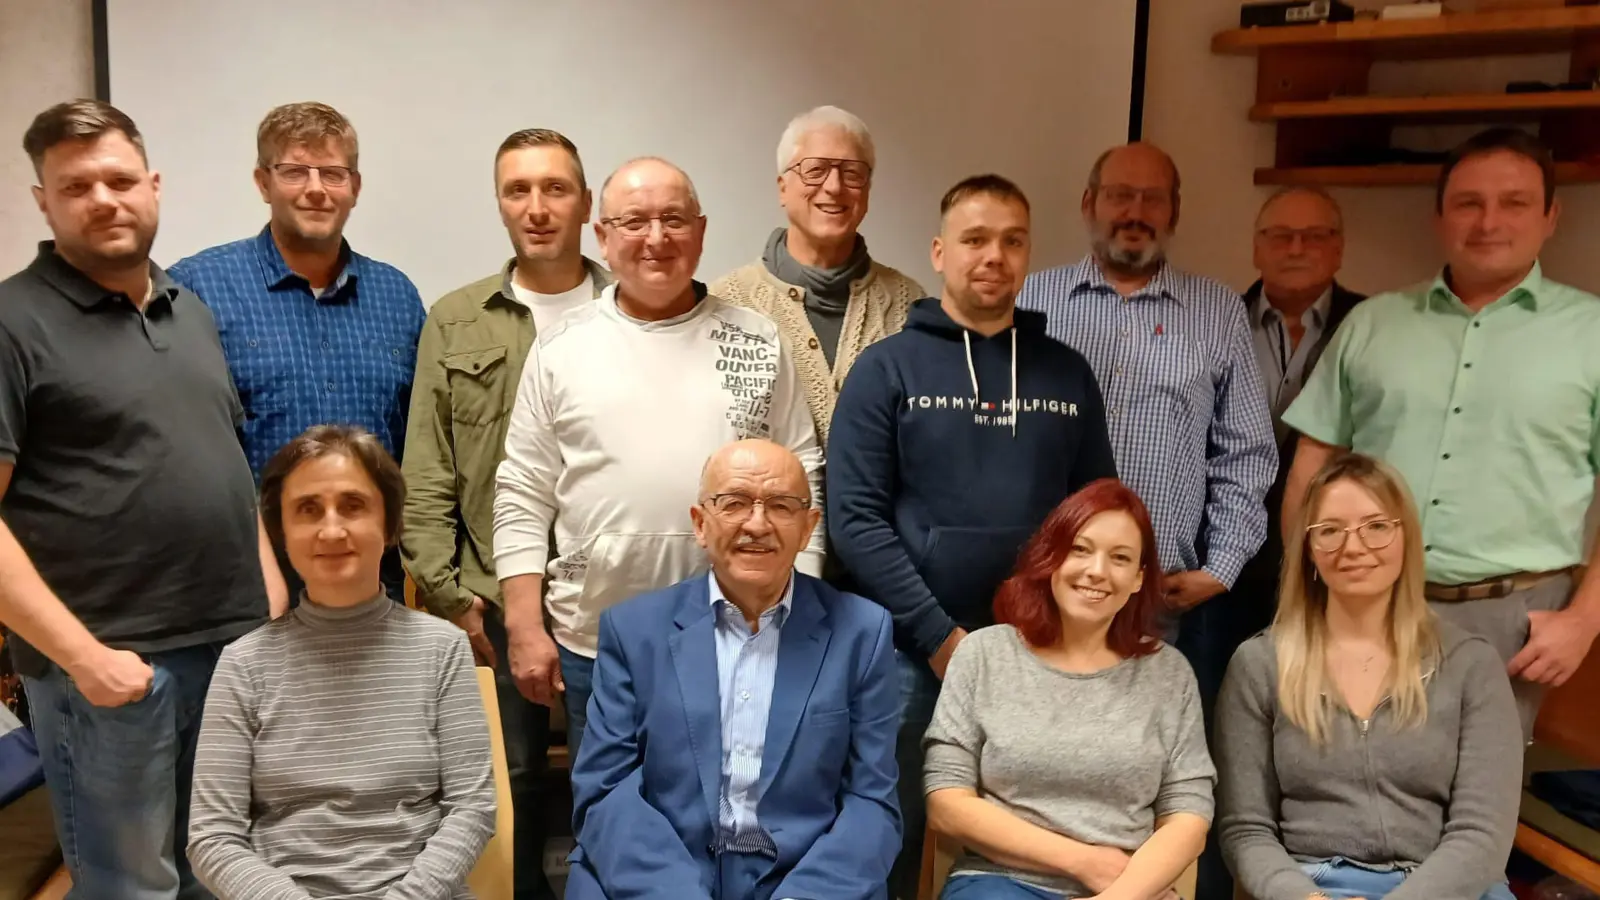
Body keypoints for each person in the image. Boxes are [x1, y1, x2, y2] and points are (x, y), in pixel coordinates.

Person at [0, 99, 285, 899]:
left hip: (227, 653)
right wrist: (85, 660)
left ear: (153, 186)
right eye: (76, 186)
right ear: (44, 202)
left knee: (215, 872)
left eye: (120, 180)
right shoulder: (12, 322)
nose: (104, 199)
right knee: (130, 887)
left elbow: (221, 457)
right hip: (113, 675)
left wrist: (267, 595)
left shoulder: (189, 310)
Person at [828, 174, 1118, 898]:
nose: (995, 256)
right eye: (976, 239)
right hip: (910, 654)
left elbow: (1096, 515)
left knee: (1029, 837)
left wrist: (1057, 631)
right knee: (889, 830)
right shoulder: (886, 368)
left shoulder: (1067, 373)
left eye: (1013, 241)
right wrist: (939, 637)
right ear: (939, 252)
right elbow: (854, 520)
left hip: (1038, 650)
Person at [493, 157, 825, 763]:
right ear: (603, 235)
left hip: (742, 636)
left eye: (674, 220)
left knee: (735, 806)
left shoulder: (757, 340)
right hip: (596, 641)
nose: (656, 238)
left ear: (700, 231)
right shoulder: (562, 347)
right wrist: (523, 624)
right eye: (634, 221)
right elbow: (522, 491)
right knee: (610, 805)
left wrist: (805, 607)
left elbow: (804, 480)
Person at [1281, 127, 1600, 737]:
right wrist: (1310, 594)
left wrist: (1584, 620)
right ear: (1439, 217)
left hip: (1518, 621)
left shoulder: (1592, 333)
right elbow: (1311, 466)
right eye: (1468, 203)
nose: (1489, 222)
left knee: (1478, 790)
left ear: (1550, 217)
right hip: (1366, 607)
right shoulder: (1372, 323)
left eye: (1514, 203)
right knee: (1339, 775)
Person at [402, 127, 610, 900]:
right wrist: (454, 599)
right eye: (518, 190)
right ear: (499, 204)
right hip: (490, 598)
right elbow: (426, 472)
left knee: (614, 776)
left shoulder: (631, 306)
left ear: (585, 202)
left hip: (613, 596)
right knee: (504, 784)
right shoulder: (457, 319)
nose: (537, 206)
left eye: (555, 188)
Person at [566, 439, 899, 900]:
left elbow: (872, 802)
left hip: (803, 877)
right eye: (734, 503)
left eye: (780, 506)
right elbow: (605, 792)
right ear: (700, 524)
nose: (757, 524)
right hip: (659, 871)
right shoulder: (634, 630)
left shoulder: (862, 632)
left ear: (808, 528)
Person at [189, 425, 496, 900]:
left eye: (353, 505)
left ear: (389, 525)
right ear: (281, 531)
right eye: (308, 509)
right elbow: (212, 838)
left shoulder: (443, 649)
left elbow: (472, 808)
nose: (331, 530)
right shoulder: (243, 665)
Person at [1217, 452, 1522, 900]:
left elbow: (1483, 836)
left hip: (1448, 888)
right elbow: (1246, 830)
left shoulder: (1471, 664)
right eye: (1330, 531)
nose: (1353, 547)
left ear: (1406, 538)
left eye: (1376, 527)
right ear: (1308, 549)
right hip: (1314, 886)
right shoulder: (1259, 664)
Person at [169, 101, 426, 603]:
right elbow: (182, 445)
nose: (315, 189)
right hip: (243, 585)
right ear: (263, 182)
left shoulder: (396, 295)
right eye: (294, 171)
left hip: (373, 583)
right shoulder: (198, 287)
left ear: (355, 186)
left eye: (332, 173)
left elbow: (419, 443)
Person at [924, 478, 1213, 900]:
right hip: (999, 883)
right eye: (1080, 549)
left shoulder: (1169, 674)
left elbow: (1188, 816)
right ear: (1051, 557)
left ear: (1138, 578)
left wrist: (1120, 895)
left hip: (1129, 890)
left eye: (1120, 558)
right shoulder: (983, 654)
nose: (1097, 570)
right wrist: (1082, 861)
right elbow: (946, 803)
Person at [711, 105, 922, 447]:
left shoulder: (908, 305)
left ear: (867, 189)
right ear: (782, 188)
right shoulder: (725, 305)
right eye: (815, 170)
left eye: (852, 173)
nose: (834, 187)